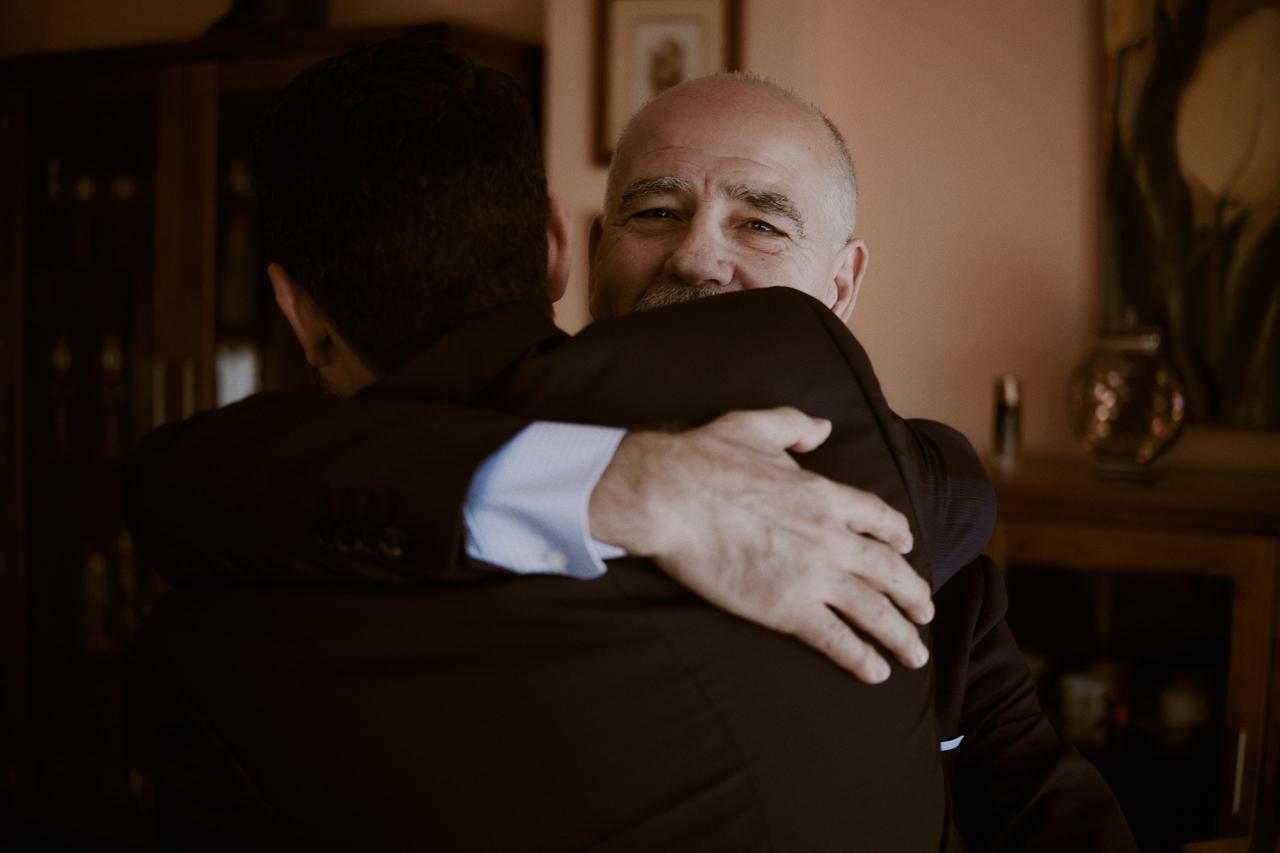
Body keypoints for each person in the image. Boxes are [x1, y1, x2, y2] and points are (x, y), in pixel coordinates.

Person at [127, 42, 1136, 851]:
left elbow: (1032, 789)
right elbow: (204, 481)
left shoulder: (903, 511)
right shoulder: (431, 442)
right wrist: (618, 485)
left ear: (842, 284)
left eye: (759, 223)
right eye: (653, 211)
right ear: (577, 253)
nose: (696, 253)